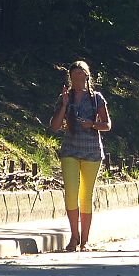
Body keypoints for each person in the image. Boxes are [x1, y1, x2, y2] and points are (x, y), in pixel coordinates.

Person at [49, 60, 111, 252]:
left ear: (87, 76)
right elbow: (54, 126)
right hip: (70, 150)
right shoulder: (65, 98)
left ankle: (85, 240)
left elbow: (107, 125)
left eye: (80, 75)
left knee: (86, 196)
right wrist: (64, 105)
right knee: (71, 193)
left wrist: (91, 124)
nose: (77, 79)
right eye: (73, 75)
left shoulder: (96, 98)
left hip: (92, 151)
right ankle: (74, 237)